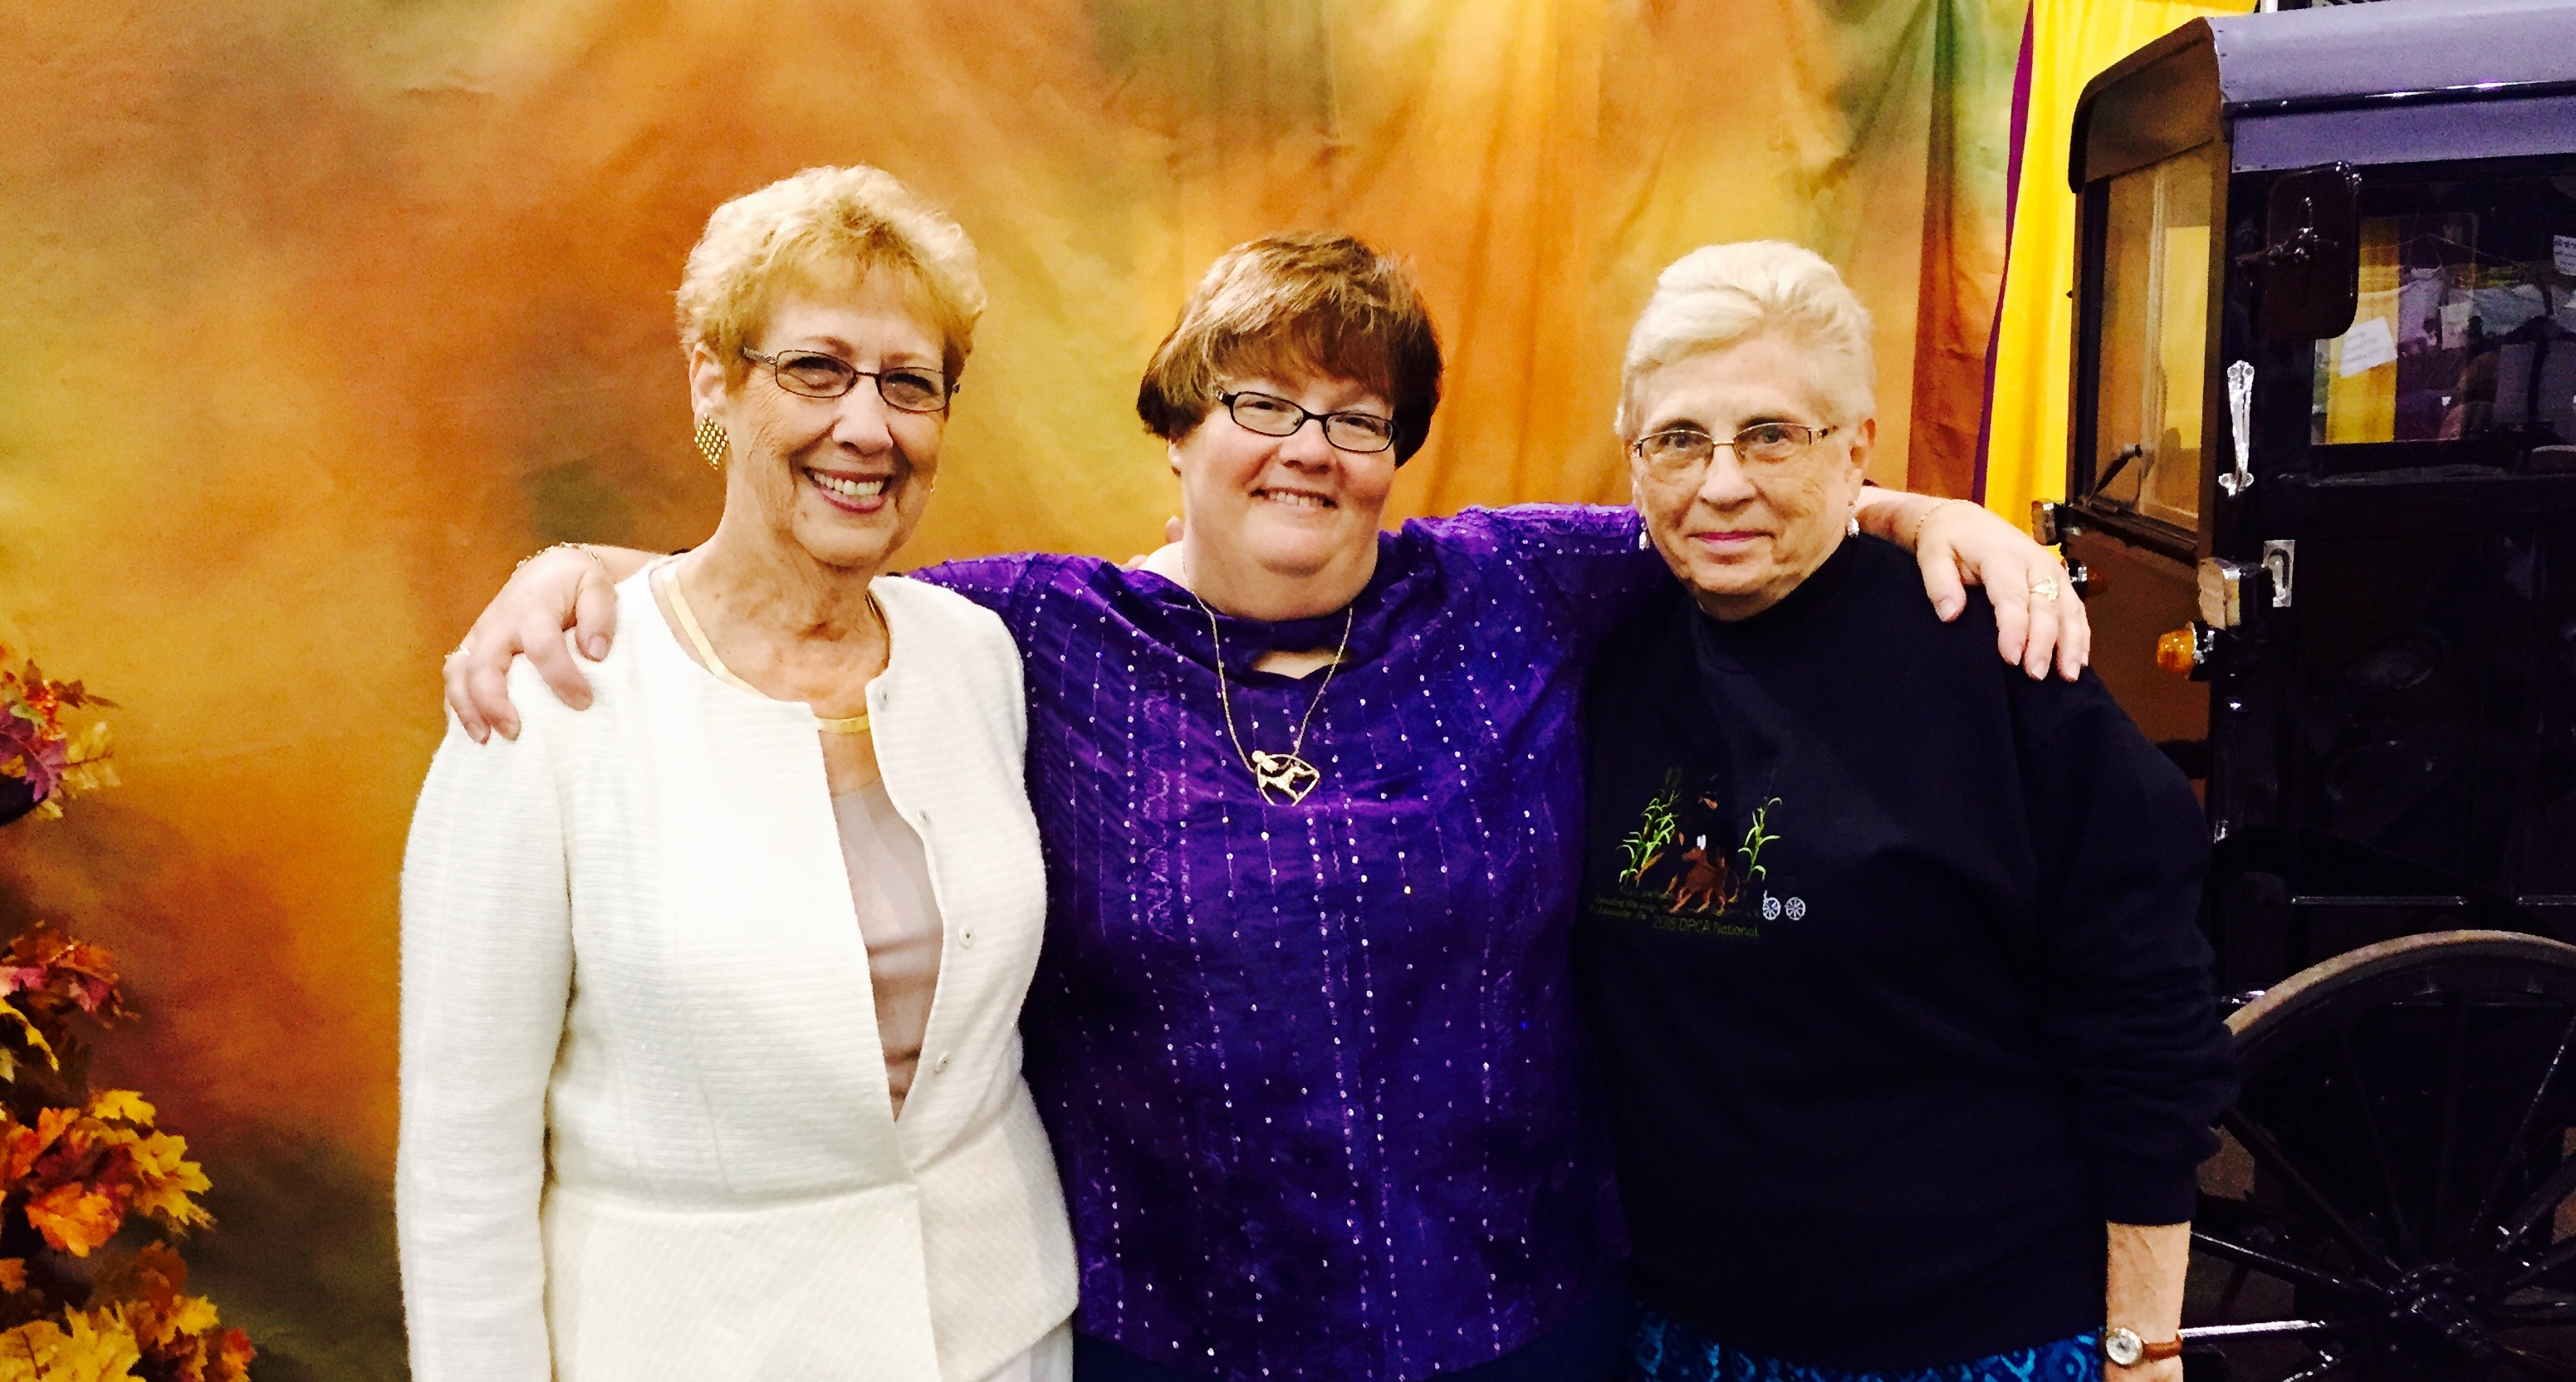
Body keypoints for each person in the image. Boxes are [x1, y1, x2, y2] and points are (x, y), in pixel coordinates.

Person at [443, 231, 2091, 1382]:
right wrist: (580, 568)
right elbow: (795, 594)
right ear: (1176, 429)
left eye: (1356, 418)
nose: (1310, 447)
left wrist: (1920, 513)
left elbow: (1728, 503)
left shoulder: (1514, 589)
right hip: (1173, 1335)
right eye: (1259, 403)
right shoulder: (1032, 633)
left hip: (1524, 1325)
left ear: (1396, 454)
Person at [396, 166, 1076, 1382]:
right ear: (713, 380)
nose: (866, 427)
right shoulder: (549, 696)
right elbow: (462, 1164)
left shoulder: (977, 656)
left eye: (909, 383)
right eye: (815, 369)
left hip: (999, 1344)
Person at [1573, 242, 2236, 1382]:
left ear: (1855, 448)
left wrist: (2143, 1343)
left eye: (1771, 435)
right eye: (1677, 439)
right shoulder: (1603, 647)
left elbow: (2145, 1024)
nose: (1719, 483)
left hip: (1979, 1336)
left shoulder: (1994, 661)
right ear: (1633, 457)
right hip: (1681, 1332)